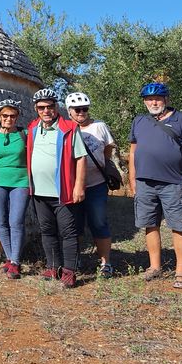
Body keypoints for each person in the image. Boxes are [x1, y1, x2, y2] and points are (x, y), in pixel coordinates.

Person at [128, 82, 182, 290]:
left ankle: (181, 272)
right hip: (145, 183)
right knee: (150, 224)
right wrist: (133, 179)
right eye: (150, 99)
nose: (154, 102)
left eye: (158, 98)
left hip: (174, 183)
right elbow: (133, 152)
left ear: (166, 100)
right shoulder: (139, 121)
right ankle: (155, 266)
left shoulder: (181, 119)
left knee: (179, 226)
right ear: (144, 101)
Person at [27, 88, 87, 288]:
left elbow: (80, 159)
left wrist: (79, 186)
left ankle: (69, 271)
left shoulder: (70, 128)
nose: (46, 111)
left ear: (56, 107)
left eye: (50, 106)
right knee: (47, 230)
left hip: (63, 191)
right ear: (36, 109)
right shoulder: (33, 128)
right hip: (39, 191)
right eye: (41, 107)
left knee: (68, 232)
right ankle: (54, 266)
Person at [66, 91, 118, 278]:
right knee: (75, 224)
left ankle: (106, 263)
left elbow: (108, 148)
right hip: (72, 185)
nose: (81, 112)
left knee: (99, 222)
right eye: (77, 109)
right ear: (69, 111)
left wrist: (102, 165)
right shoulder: (65, 128)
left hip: (96, 183)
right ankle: (76, 259)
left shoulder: (99, 127)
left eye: (84, 109)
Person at [0, 99, 29, 279]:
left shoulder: (24, 134)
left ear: (17, 116)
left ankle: (16, 262)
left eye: (12, 115)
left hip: (20, 181)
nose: (9, 119)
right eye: (5, 115)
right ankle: (10, 258)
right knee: (0, 221)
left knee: (16, 221)